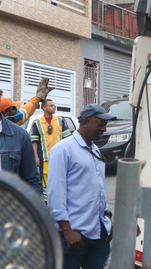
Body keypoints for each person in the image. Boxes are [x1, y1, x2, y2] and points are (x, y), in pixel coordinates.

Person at [47, 104, 115, 269]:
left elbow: (99, 188)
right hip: (73, 235)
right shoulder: (63, 149)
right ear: (85, 122)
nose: (104, 129)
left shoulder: (95, 150)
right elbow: (56, 193)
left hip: (97, 233)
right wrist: (67, 231)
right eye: (100, 124)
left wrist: (107, 218)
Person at [30, 98, 72, 201]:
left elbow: (68, 140)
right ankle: (47, 202)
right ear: (44, 108)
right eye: (51, 105)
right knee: (46, 183)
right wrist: (36, 156)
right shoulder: (37, 123)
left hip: (59, 158)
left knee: (60, 179)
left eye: (54, 105)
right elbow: (34, 141)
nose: (54, 107)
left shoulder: (60, 121)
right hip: (45, 159)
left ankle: (60, 200)